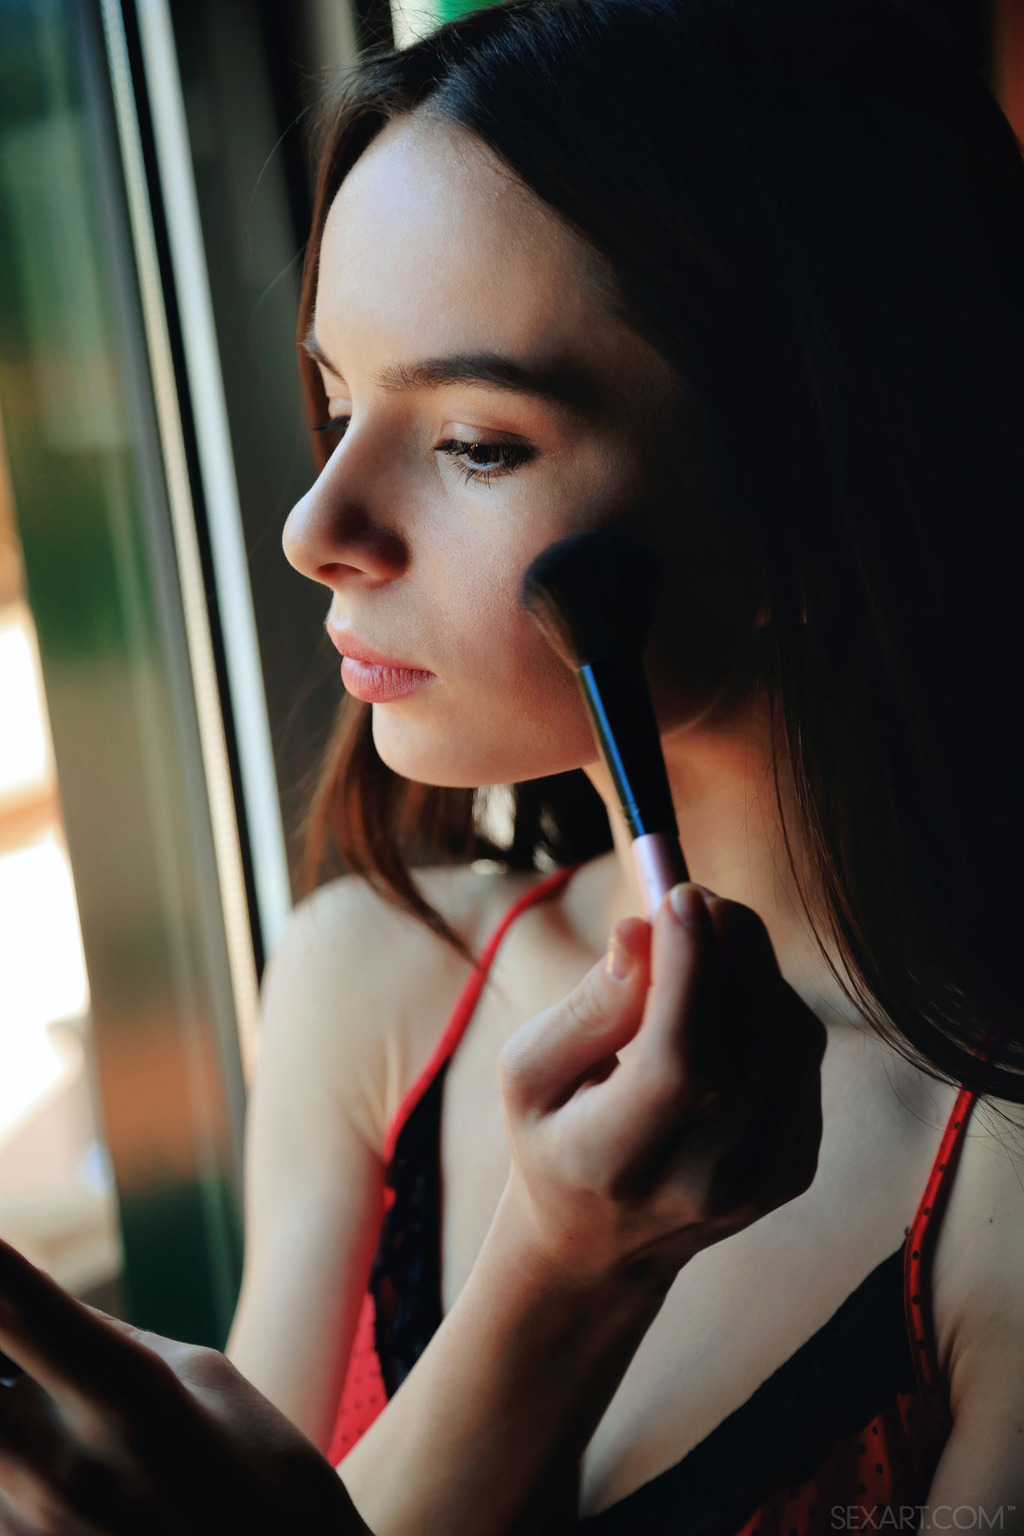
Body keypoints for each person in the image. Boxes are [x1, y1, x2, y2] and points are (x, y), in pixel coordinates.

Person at [1, 0, 1023, 1531]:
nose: (312, 527)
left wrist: (566, 1275)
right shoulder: (374, 982)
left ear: (815, 504)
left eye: (476, 443)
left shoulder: (996, 1183)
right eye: (337, 401)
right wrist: (549, 1280)